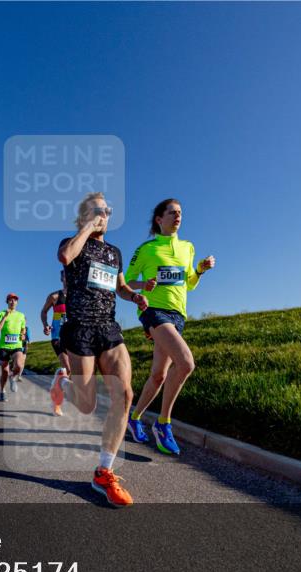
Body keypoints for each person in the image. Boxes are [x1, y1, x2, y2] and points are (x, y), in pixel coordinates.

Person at [50, 192, 148, 507]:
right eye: (98, 210)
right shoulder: (73, 241)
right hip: (79, 330)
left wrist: (134, 295)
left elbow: (118, 286)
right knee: (87, 405)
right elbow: (65, 256)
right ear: (86, 215)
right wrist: (86, 227)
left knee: (125, 394)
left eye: (107, 210)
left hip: (108, 328)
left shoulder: (115, 251)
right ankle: (62, 383)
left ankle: (103, 472)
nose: (104, 214)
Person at [124, 198, 215, 455]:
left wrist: (200, 269)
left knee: (159, 375)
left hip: (178, 315)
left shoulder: (188, 247)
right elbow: (127, 281)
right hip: (153, 311)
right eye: (172, 213)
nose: (178, 217)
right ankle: (163, 424)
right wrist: (144, 286)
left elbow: (188, 283)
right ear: (159, 219)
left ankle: (135, 417)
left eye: (180, 213)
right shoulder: (146, 249)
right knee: (186, 363)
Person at [40, 271, 71, 415]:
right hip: (58, 336)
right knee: (68, 367)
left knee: (70, 372)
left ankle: (58, 379)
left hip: (74, 337)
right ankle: (57, 404)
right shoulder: (54, 296)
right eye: (66, 274)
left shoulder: (80, 297)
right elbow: (44, 312)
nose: (69, 276)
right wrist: (45, 324)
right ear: (61, 278)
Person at [0, 293, 26, 401]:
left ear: (17, 302)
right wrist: (5, 317)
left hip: (17, 345)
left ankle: (13, 377)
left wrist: (23, 334)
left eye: (15, 300)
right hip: (4, 346)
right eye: (10, 300)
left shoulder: (21, 315)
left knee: (20, 365)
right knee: (4, 372)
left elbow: (23, 329)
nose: (13, 302)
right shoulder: (1, 313)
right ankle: (2, 391)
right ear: (7, 302)